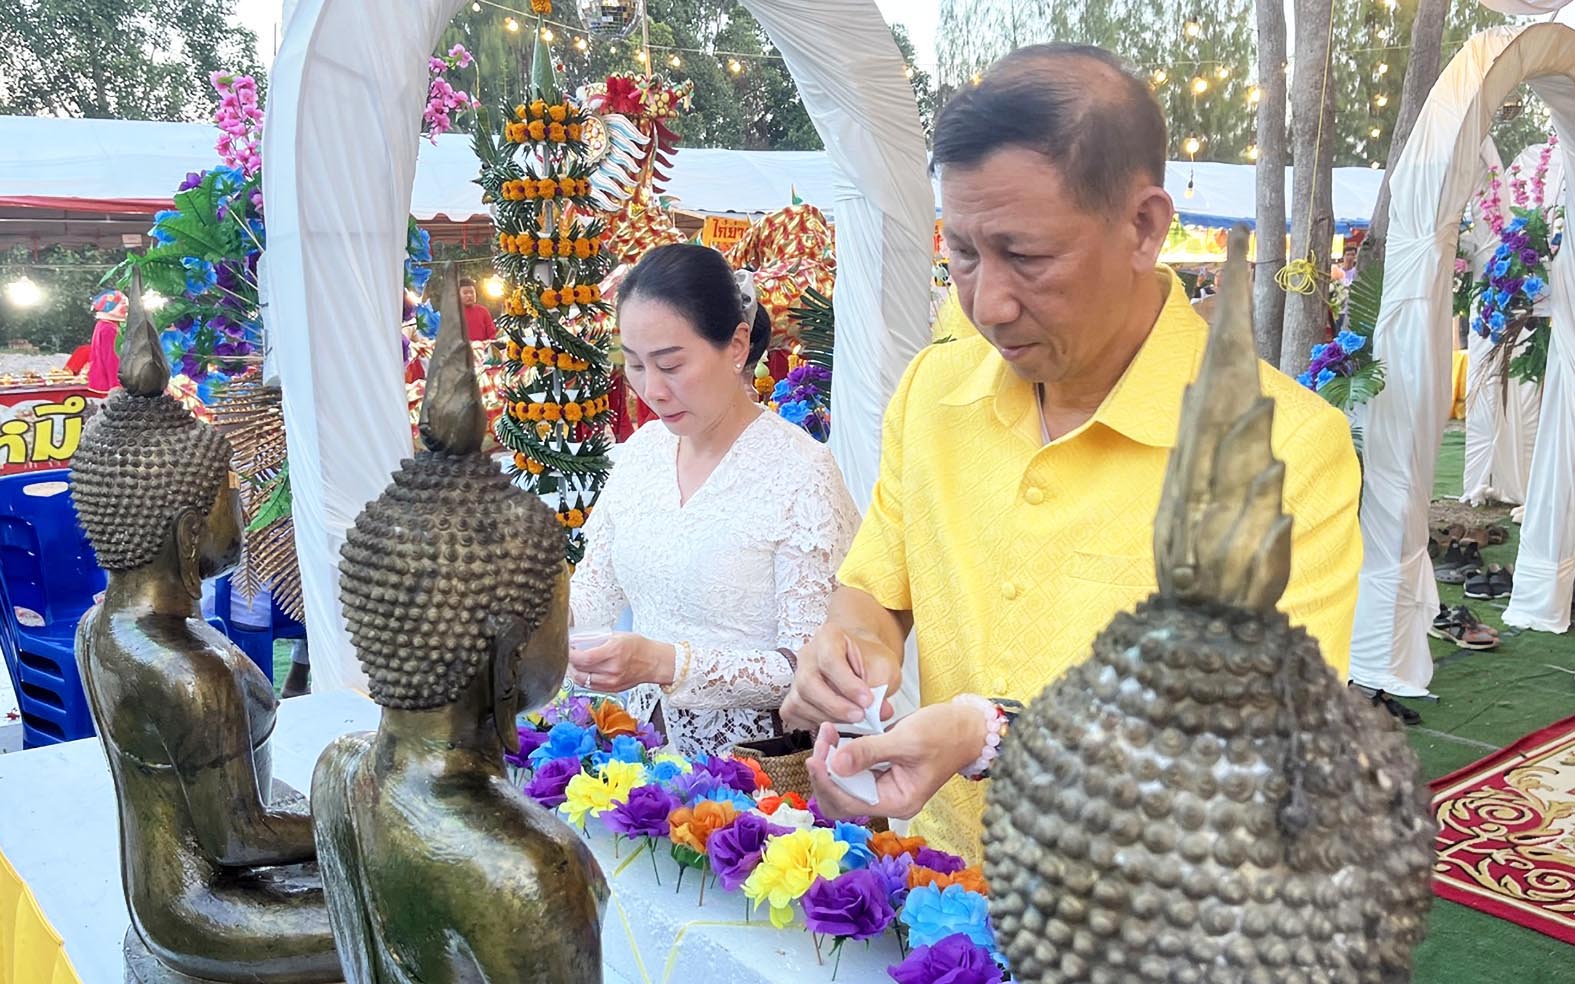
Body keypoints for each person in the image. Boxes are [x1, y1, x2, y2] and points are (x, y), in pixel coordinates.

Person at [781, 44, 1363, 862]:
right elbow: (874, 590)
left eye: (1026, 256)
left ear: (1142, 227)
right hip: (943, 888)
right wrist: (853, 653)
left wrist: (993, 733)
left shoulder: (1279, 448)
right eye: (963, 253)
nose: (988, 303)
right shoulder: (935, 392)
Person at [568, 244, 860, 758]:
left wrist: (666, 664)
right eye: (634, 365)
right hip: (637, 756)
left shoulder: (799, 473)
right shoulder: (641, 455)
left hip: (755, 783)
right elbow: (593, 593)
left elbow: (808, 666)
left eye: (671, 364)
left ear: (737, 346)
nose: (652, 390)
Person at [87, 289, 128, 392]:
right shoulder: (109, 329)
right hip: (110, 383)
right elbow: (112, 359)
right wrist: (117, 385)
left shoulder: (104, 325)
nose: (126, 308)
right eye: (122, 303)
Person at [458, 277, 497, 342]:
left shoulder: (483, 311)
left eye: (472, 292)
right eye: (465, 293)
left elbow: (492, 334)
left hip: (482, 349)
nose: (469, 295)